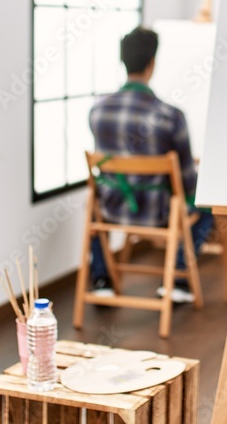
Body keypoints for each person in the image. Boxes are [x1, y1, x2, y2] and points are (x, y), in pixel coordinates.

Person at [87, 26, 214, 304]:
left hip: (111, 208)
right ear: (152, 64)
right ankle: (178, 278)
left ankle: (101, 279)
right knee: (208, 206)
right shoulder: (170, 116)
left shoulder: (98, 110)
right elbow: (186, 180)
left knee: (93, 199)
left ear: (124, 61)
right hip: (157, 213)